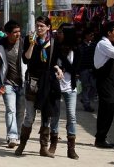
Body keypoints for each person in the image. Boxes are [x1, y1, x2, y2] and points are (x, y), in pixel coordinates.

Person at [15, 15, 61, 157]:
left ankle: (43, 147)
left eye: (42, 26)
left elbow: (54, 61)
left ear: (48, 27)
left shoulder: (53, 42)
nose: (39, 28)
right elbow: (26, 58)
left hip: (48, 83)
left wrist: (58, 69)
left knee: (46, 116)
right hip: (32, 81)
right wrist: (32, 44)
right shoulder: (30, 41)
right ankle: (22, 145)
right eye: (37, 25)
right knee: (29, 116)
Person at [49, 24, 80, 159]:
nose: (58, 34)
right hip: (56, 86)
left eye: (61, 32)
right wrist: (57, 68)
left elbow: (76, 68)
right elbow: (50, 65)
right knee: (55, 115)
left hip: (70, 87)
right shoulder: (54, 47)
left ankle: (71, 148)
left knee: (71, 116)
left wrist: (63, 67)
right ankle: (53, 144)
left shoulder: (77, 50)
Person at [0, 20, 26, 148]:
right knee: (10, 110)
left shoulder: (24, 43)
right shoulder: (0, 45)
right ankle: (12, 136)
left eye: (19, 31)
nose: (18, 34)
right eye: (15, 32)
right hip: (8, 83)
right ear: (7, 33)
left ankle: (18, 134)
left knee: (20, 112)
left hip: (23, 83)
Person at [93, 21, 114, 148]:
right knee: (106, 108)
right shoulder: (103, 44)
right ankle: (100, 139)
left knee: (109, 109)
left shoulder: (109, 44)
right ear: (109, 32)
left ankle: (102, 137)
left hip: (111, 81)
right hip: (105, 81)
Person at [78, 27, 97, 112]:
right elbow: (78, 59)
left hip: (93, 69)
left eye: (93, 35)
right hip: (83, 69)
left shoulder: (95, 45)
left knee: (94, 86)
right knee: (85, 87)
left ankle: (85, 99)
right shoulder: (80, 46)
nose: (92, 36)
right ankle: (87, 104)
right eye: (90, 35)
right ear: (86, 36)